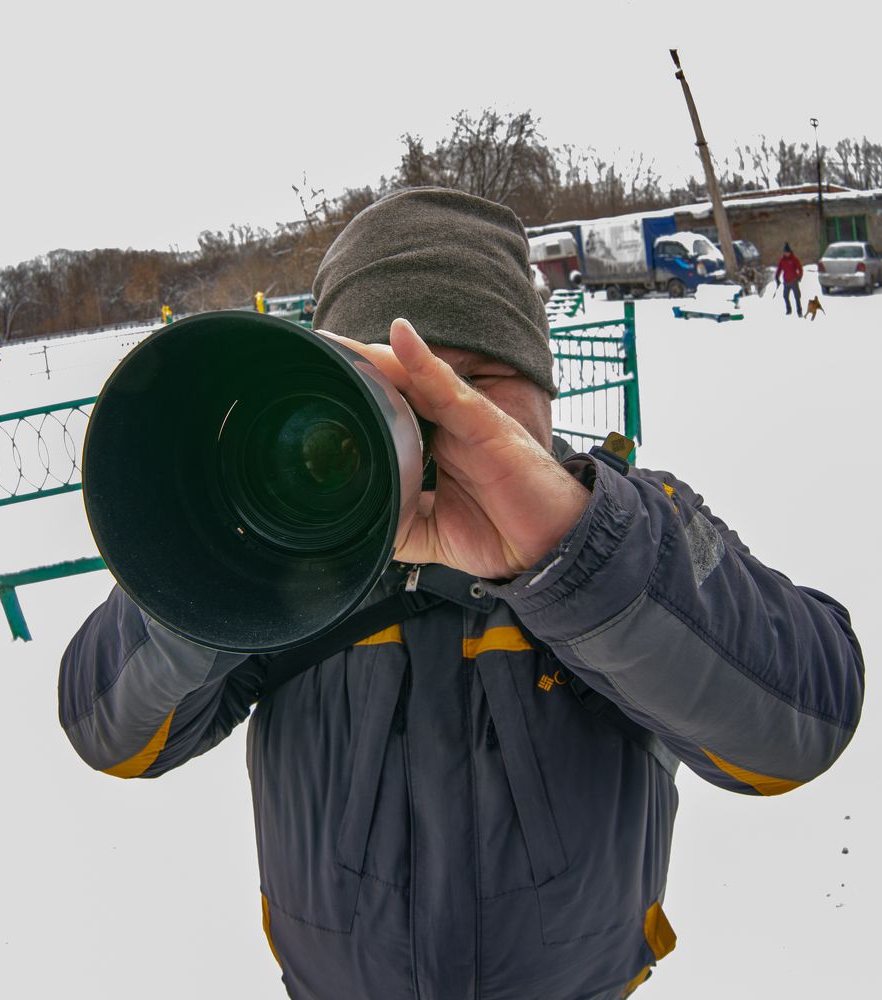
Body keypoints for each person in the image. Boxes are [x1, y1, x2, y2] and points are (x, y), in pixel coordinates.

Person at [59, 189, 864, 1000]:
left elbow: (801, 726)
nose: (435, 415)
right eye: (388, 393)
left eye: (472, 379)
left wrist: (573, 553)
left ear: (545, 396)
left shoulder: (621, 532)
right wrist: (216, 570)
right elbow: (111, 734)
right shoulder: (279, 562)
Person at [775, 242, 804, 316]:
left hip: (794, 281)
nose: (786, 254)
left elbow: (800, 268)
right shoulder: (782, 260)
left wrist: (799, 276)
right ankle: (788, 310)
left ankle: (799, 311)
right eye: (785, 252)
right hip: (786, 281)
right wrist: (777, 277)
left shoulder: (794, 259)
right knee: (785, 296)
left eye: (787, 252)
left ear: (790, 252)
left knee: (797, 297)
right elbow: (779, 269)